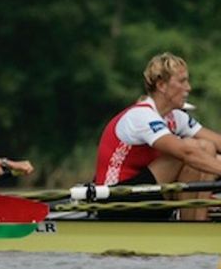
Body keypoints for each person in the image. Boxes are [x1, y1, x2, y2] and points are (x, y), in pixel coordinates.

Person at [95, 52, 221, 221]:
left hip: (147, 196)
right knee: (195, 150)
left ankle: (196, 227)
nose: (189, 88)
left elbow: (217, 142)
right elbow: (187, 154)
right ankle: (192, 225)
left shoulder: (175, 117)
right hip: (115, 200)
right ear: (162, 85)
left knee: (208, 148)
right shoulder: (140, 115)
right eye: (182, 81)